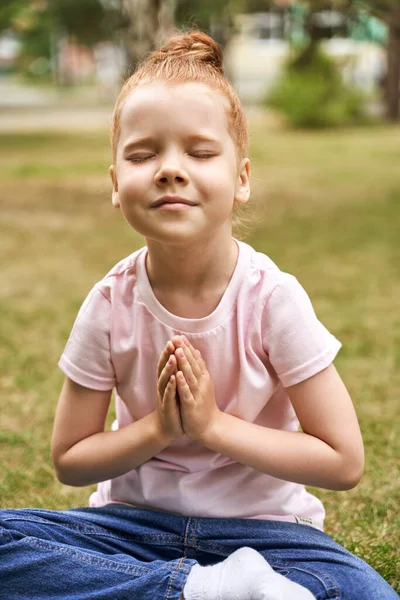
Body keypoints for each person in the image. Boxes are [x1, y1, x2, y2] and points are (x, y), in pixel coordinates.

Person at [0, 31, 397, 600]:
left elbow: (343, 461)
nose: (169, 169)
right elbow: (71, 459)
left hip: (270, 538)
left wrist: (212, 427)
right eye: (142, 154)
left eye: (200, 152)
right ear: (117, 186)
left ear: (241, 178)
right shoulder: (110, 304)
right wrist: (160, 429)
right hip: (133, 529)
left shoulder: (271, 299)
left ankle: (180, 590)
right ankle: (200, 589)